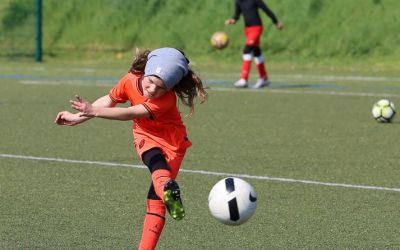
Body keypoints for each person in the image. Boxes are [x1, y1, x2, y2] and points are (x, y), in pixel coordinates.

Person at [54, 47, 208, 250]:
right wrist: (77, 117)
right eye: (150, 82)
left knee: (156, 199)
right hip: (145, 135)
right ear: (145, 71)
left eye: (160, 87)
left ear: (169, 89)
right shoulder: (129, 80)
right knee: (154, 161)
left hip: (173, 142)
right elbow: (110, 100)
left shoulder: (166, 100)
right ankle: (168, 190)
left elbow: (128, 113)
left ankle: (166, 192)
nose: (153, 90)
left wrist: (93, 111)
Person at [225, 0, 284, 89]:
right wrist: (232, 20)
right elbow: (236, 16)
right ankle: (264, 78)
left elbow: (266, 10)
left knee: (247, 50)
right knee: (256, 51)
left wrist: (276, 22)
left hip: (256, 27)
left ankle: (243, 79)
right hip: (247, 30)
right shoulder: (238, 2)